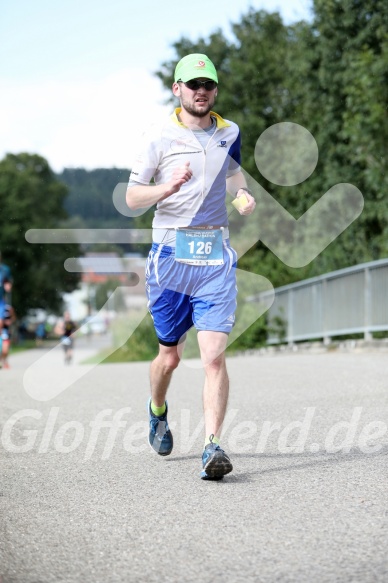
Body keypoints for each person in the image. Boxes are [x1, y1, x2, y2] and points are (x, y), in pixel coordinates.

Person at [126, 53, 256, 480]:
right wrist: (169, 186)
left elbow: (233, 174)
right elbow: (132, 198)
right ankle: (157, 410)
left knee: (214, 356)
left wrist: (241, 197)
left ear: (215, 90)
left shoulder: (229, 131)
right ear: (177, 89)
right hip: (170, 258)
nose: (201, 91)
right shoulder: (158, 136)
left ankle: (211, 446)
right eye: (192, 84)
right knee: (170, 357)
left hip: (215, 255)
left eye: (208, 85)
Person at [0, 253, 12, 341]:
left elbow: (8, 282)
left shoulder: (5, 270)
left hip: (1, 300)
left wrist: (7, 285)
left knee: (0, 322)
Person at [0, 303, 16, 369]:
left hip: (5, 333)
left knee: (5, 350)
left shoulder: (8, 308)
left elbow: (13, 319)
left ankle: (4, 361)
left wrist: (10, 319)